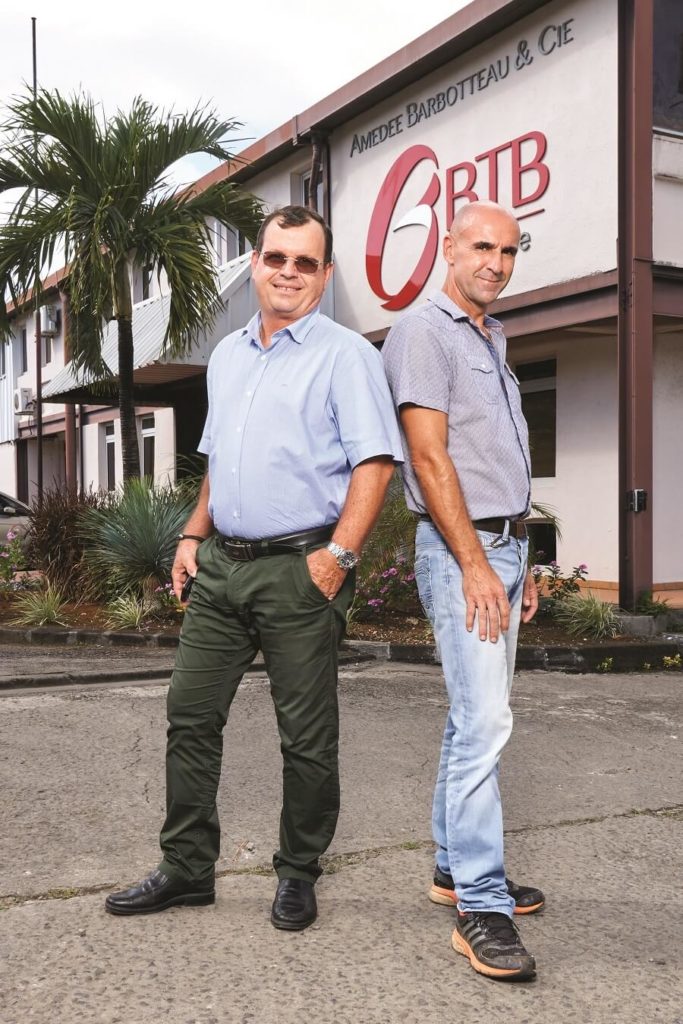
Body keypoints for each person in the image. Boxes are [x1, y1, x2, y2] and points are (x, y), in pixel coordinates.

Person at [105, 205, 402, 930]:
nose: (288, 273)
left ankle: (298, 871)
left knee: (304, 736)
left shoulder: (346, 356)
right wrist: (188, 537)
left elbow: (375, 464)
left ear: (324, 274)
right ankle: (186, 868)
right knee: (190, 716)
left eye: (305, 262)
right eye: (276, 258)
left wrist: (336, 557)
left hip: (300, 568)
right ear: (256, 265)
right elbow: (217, 464)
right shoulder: (230, 354)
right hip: (220, 568)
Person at [382, 200, 543, 981]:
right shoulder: (423, 331)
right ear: (449, 248)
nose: (495, 262)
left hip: (501, 546)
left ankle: (452, 869)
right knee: (484, 724)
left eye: (508, 251)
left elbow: (496, 459)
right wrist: (478, 562)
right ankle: (482, 903)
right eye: (481, 246)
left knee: (467, 720)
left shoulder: (491, 336)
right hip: (463, 551)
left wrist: (521, 557)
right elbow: (429, 456)